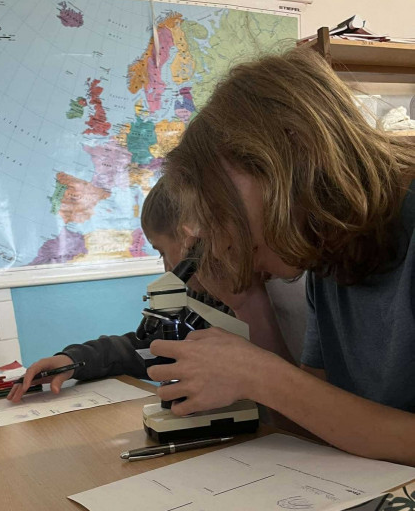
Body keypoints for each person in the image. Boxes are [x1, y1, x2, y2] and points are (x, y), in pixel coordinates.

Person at [147, 46, 415, 464]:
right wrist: (249, 303)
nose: (220, 243)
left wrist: (261, 376)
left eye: (220, 208)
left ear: (294, 152)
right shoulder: (327, 251)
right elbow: (315, 425)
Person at [7, 179, 247, 402]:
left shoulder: (247, 303)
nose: (166, 268)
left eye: (162, 252)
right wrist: (73, 360)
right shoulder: (199, 298)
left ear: (193, 241)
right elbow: (144, 349)